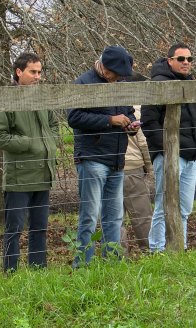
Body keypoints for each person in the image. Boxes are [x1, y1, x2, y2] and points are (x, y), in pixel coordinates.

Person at [67, 46, 138, 266]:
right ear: (106, 69)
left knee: (114, 217)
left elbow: (128, 112)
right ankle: (83, 264)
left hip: (117, 158)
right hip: (92, 158)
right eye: (117, 73)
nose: (119, 77)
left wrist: (131, 124)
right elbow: (74, 117)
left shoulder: (120, 85)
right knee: (89, 216)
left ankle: (112, 262)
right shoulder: (83, 83)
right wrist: (110, 121)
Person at [0, 53, 58, 272]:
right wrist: (29, 142)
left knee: (40, 227)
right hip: (19, 176)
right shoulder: (7, 100)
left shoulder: (43, 98)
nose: (38, 76)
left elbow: (54, 126)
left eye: (39, 72)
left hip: (43, 173)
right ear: (19, 72)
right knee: (14, 228)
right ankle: (10, 271)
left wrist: (49, 142)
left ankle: (38, 270)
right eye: (32, 72)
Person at [141, 42, 196, 252]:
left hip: (191, 156)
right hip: (169, 155)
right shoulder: (157, 84)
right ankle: (157, 249)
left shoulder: (190, 83)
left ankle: (178, 249)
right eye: (181, 59)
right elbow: (148, 121)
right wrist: (166, 150)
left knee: (184, 208)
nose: (186, 63)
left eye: (189, 59)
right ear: (170, 60)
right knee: (164, 206)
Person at [121, 104, 153, 251]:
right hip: (131, 168)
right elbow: (143, 142)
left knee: (115, 217)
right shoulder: (136, 111)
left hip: (108, 167)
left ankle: (118, 255)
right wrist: (150, 168)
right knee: (142, 215)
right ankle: (149, 250)